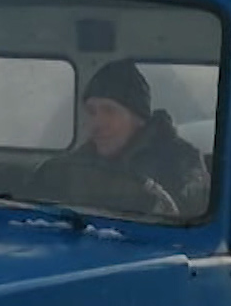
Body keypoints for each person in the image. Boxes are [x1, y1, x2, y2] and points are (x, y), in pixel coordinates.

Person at [31, 59, 209, 218]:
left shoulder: (181, 163)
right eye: (92, 111)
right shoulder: (72, 167)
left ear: (138, 119)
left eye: (109, 111)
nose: (96, 123)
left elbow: (188, 227)